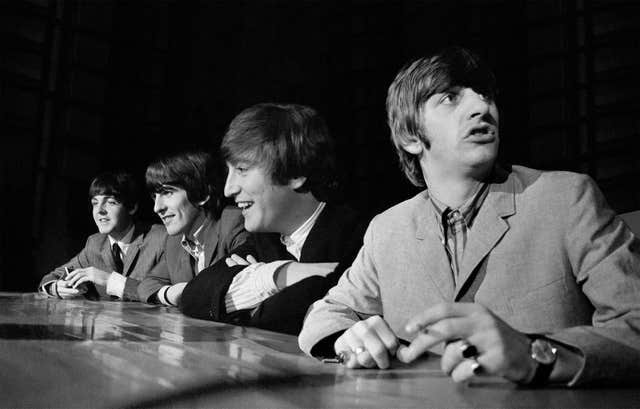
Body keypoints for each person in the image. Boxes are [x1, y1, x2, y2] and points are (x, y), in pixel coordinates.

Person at [298, 47, 640, 387]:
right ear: (410, 137)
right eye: (450, 97)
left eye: (485, 95)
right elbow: (326, 314)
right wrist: (347, 337)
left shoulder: (565, 198)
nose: (482, 107)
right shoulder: (388, 229)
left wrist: (538, 354)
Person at [180, 103, 367, 335]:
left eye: (242, 169)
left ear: (295, 173)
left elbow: (296, 315)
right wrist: (272, 278)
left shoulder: (359, 235)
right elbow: (193, 296)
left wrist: (250, 296)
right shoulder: (264, 240)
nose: (228, 189)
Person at [137, 151, 248, 306]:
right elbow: (147, 284)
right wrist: (169, 294)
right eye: (155, 197)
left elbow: (244, 286)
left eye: (167, 193)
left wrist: (188, 292)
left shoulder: (232, 223)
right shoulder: (173, 241)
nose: (157, 208)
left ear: (202, 194)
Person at [39, 171, 167, 301]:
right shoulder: (95, 243)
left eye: (110, 202)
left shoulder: (160, 239)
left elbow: (166, 293)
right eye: (95, 203)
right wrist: (55, 287)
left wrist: (109, 280)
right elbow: (52, 277)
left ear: (132, 207)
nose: (100, 210)